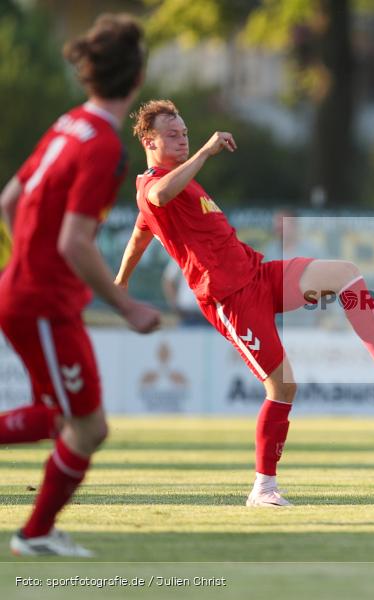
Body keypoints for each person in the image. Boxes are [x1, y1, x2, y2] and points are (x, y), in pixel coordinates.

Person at [114, 100, 374, 507]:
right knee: (283, 385)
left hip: (258, 274)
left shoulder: (169, 187)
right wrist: (205, 151)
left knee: (344, 273)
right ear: (149, 142)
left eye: (184, 133)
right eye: (172, 135)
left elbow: (140, 233)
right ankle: (263, 489)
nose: (182, 140)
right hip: (229, 298)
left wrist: (121, 280)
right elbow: (160, 195)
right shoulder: (154, 185)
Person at [0, 14, 159, 557]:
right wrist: (127, 306)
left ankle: (38, 533)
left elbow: (10, 200)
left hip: (28, 292)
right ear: (137, 78)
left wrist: (27, 261)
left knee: (65, 419)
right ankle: (36, 534)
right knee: (88, 428)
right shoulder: (104, 146)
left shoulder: (69, 123)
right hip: (43, 302)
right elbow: (74, 241)